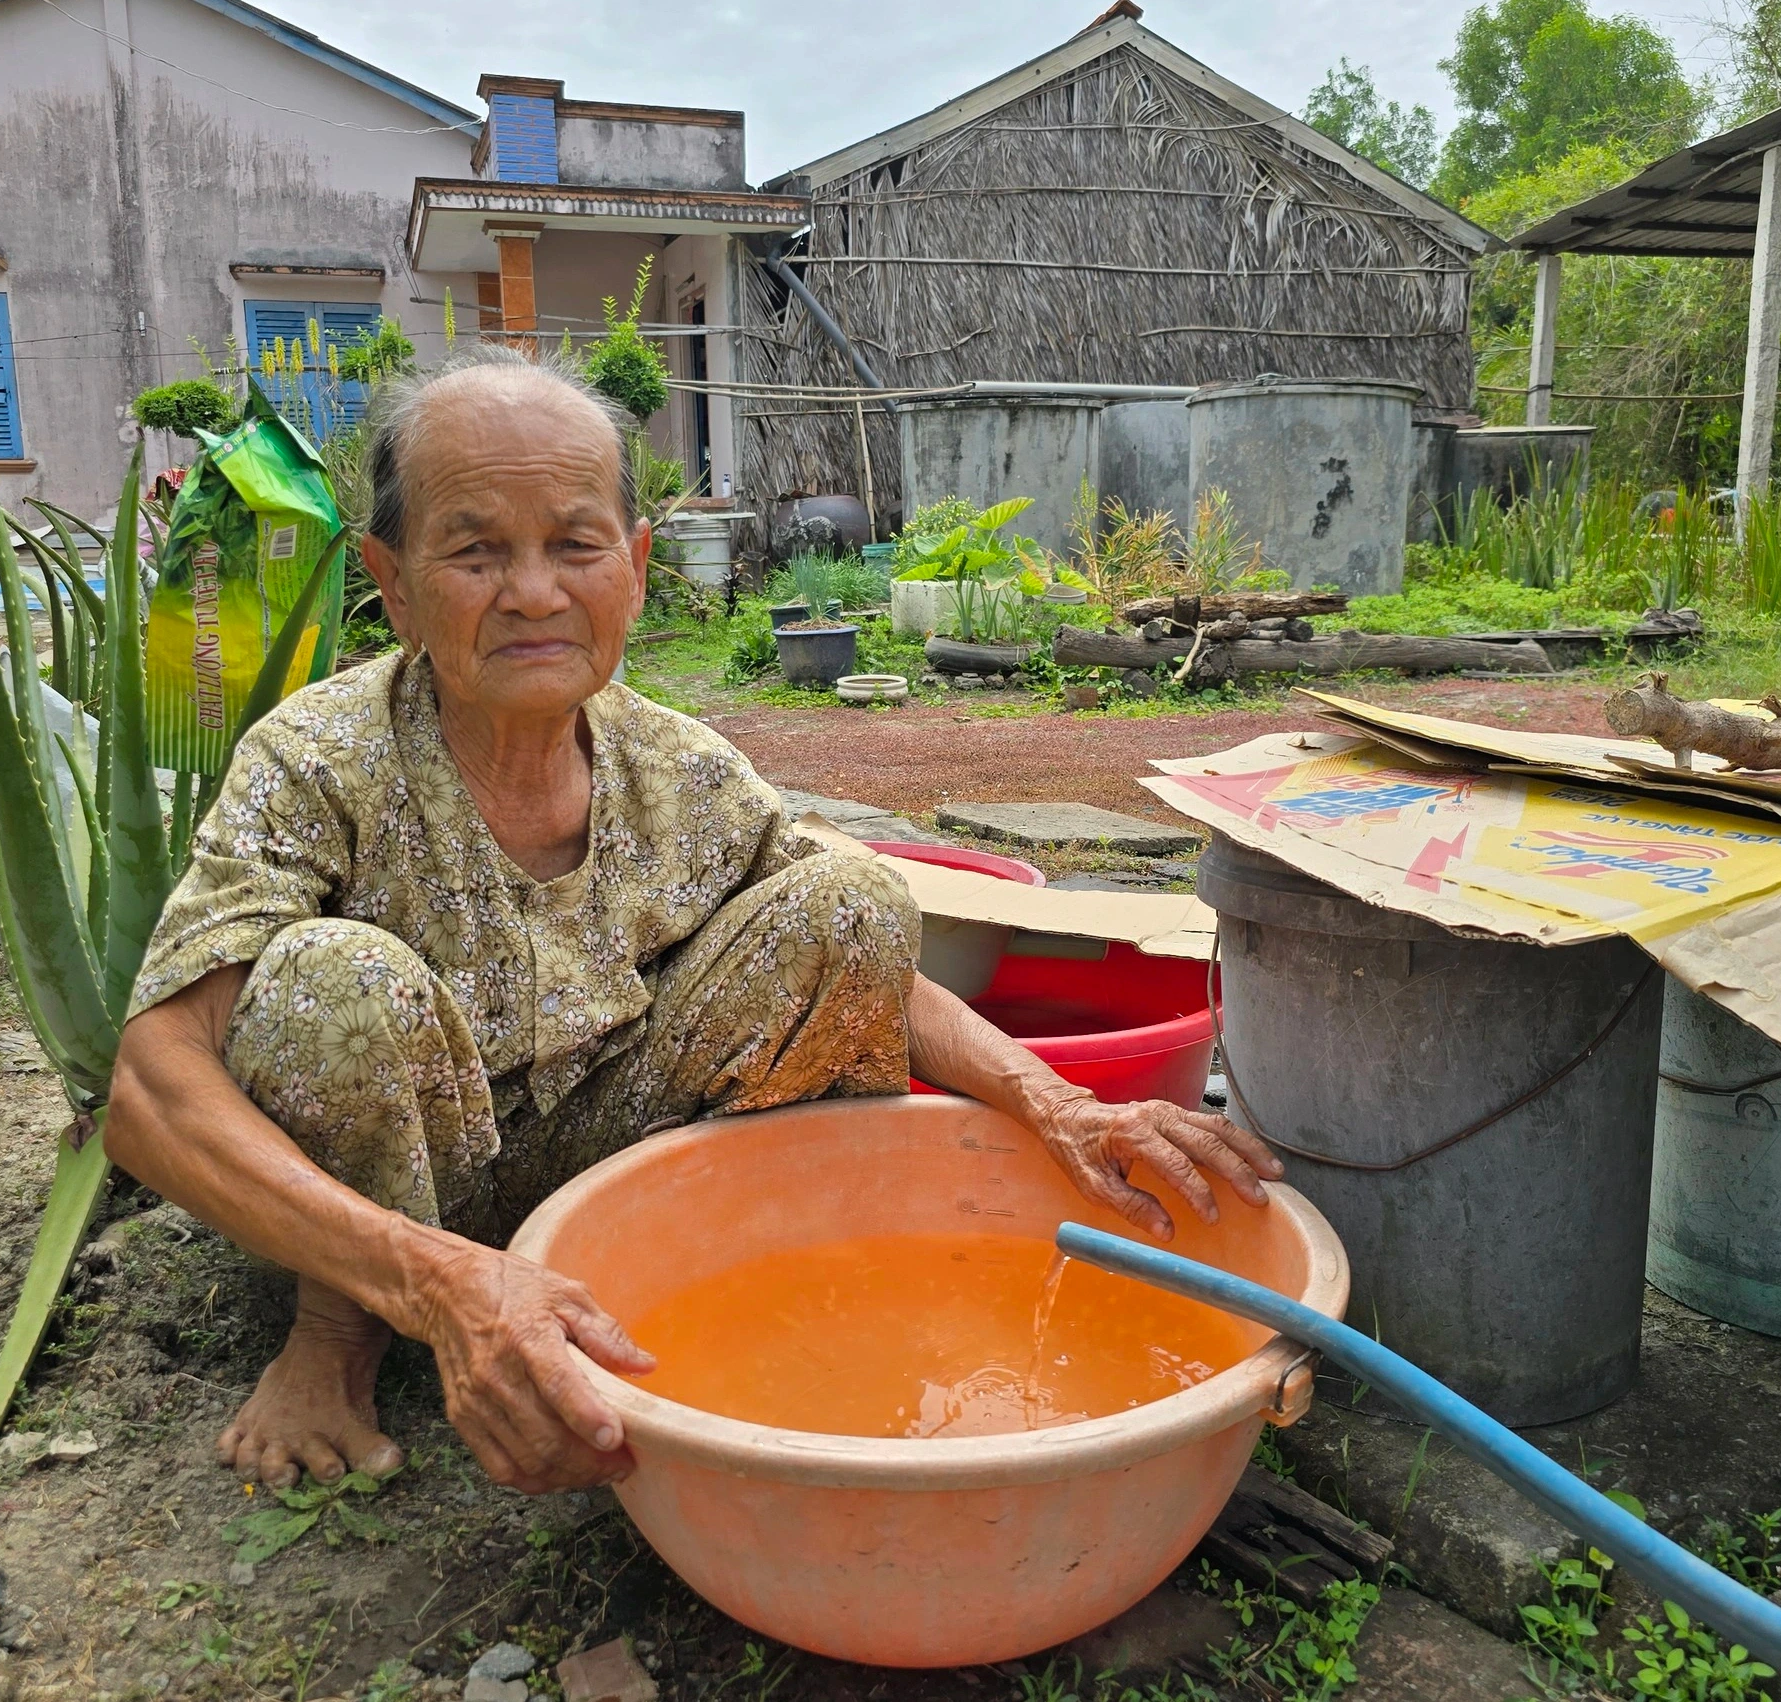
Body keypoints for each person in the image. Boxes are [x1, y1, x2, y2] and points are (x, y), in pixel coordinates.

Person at [104, 350, 1281, 1496]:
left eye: (575, 544)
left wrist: (1058, 1104)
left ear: (635, 565)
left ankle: (714, 1271)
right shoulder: (317, 759)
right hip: (395, 1205)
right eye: (473, 551)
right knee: (332, 981)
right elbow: (150, 1090)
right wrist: (432, 1280)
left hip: (616, 1163)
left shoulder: (682, 767)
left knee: (852, 899)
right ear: (394, 579)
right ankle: (336, 1338)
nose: (533, 591)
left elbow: (865, 970)